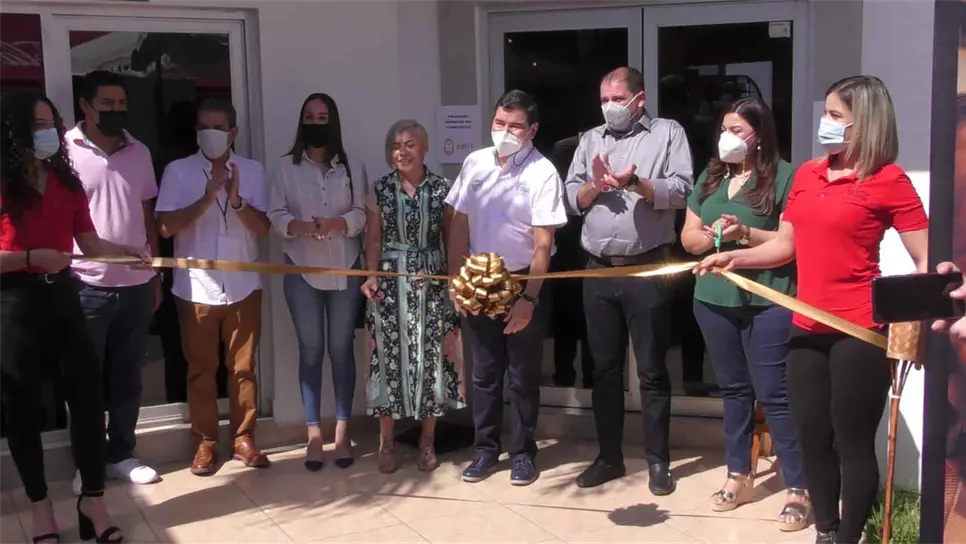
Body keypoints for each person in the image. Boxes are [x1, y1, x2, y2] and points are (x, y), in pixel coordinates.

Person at [696, 75, 929, 544]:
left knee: (852, 440)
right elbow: (785, 246)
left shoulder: (888, 180)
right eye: (825, 114)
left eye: (835, 116)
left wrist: (916, 325)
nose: (825, 123)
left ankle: (849, 536)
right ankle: (826, 530)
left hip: (859, 329)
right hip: (805, 323)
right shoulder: (807, 173)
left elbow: (927, 257)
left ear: (864, 123)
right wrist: (733, 256)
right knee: (811, 435)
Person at [0, 91, 151, 544]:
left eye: (50, 123)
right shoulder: (5, 183)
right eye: (37, 124)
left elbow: (88, 242)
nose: (46, 132)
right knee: (22, 409)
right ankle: (41, 507)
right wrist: (30, 255)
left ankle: (93, 501)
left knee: (88, 402)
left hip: (64, 296)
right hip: (13, 303)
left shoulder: (65, 181)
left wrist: (125, 251)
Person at [564, 66, 694, 493]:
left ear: (639, 99)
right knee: (604, 370)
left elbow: (681, 191)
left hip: (647, 267)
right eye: (604, 98)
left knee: (653, 370)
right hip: (598, 269)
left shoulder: (668, 133)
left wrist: (635, 182)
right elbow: (570, 198)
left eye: (617, 98)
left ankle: (658, 462)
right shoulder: (590, 140)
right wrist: (594, 188)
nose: (609, 106)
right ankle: (609, 457)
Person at [680, 97, 808, 530]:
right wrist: (717, 238)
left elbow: (787, 243)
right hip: (713, 299)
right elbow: (689, 239)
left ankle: (798, 486)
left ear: (759, 136)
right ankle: (739, 475)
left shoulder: (788, 176)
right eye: (724, 128)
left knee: (775, 394)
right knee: (734, 391)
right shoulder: (712, 176)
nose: (727, 137)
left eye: (737, 130)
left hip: (768, 300)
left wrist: (744, 233)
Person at [447, 90, 566, 486]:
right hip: (479, 280)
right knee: (483, 373)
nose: (505, 131)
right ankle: (484, 450)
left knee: (522, 376)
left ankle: (522, 452)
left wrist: (529, 299)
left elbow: (543, 242)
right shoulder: (475, 163)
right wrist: (456, 280)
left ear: (532, 129)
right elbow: (459, 222)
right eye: (500, 123)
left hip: (521, 281)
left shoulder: (543, 172)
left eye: (514, 126)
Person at [156, 97, 272, 476]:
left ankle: (243, 438)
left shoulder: (253, 171)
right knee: (200, 370)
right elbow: (165, 227)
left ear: (233, 132)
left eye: (218, 128)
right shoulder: (178, 171)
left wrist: (236, 198)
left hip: (243, 284)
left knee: (243, 368)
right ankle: (205, 442)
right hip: (196, 288)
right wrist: (207, 198)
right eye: (203, 128)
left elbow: (264, 228)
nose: (210, 135)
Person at [67, 70, 162, 496]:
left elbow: (147, 217)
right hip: (85, 285)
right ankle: (87, 463)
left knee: (128, 377)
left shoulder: (139, 151)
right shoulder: (65, 152)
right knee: (85, 381)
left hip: (137, 284)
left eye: (121, 104)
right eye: (107, 104)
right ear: (86, 106)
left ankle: (122, 453)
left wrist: (155, 271)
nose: (116, 111)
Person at [268, 93, 367, 471]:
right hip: (300, 267)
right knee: (310, 351)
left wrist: (339, 224)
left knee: (340, 350)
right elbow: (275, 214)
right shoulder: (285, 167)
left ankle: (342, 433)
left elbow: (362, 212)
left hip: (345, 264)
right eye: (309, 115)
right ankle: (313, 436)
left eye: (322, 116)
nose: (316, 121)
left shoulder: (351, 165)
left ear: (333, 120)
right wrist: (298, 227)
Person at [361, 119, 465, 474]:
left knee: (430, 361)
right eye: (395, 146)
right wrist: (372, 274)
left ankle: (427, 441)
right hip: (391, 285)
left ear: (424, 149)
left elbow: (451, 239)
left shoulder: (442, 189)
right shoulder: (381, 189)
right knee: (389, 360)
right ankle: (386, 441)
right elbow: (373, 238)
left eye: (409, 145)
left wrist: (453, 282)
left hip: (431, 283)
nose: (401, 152)